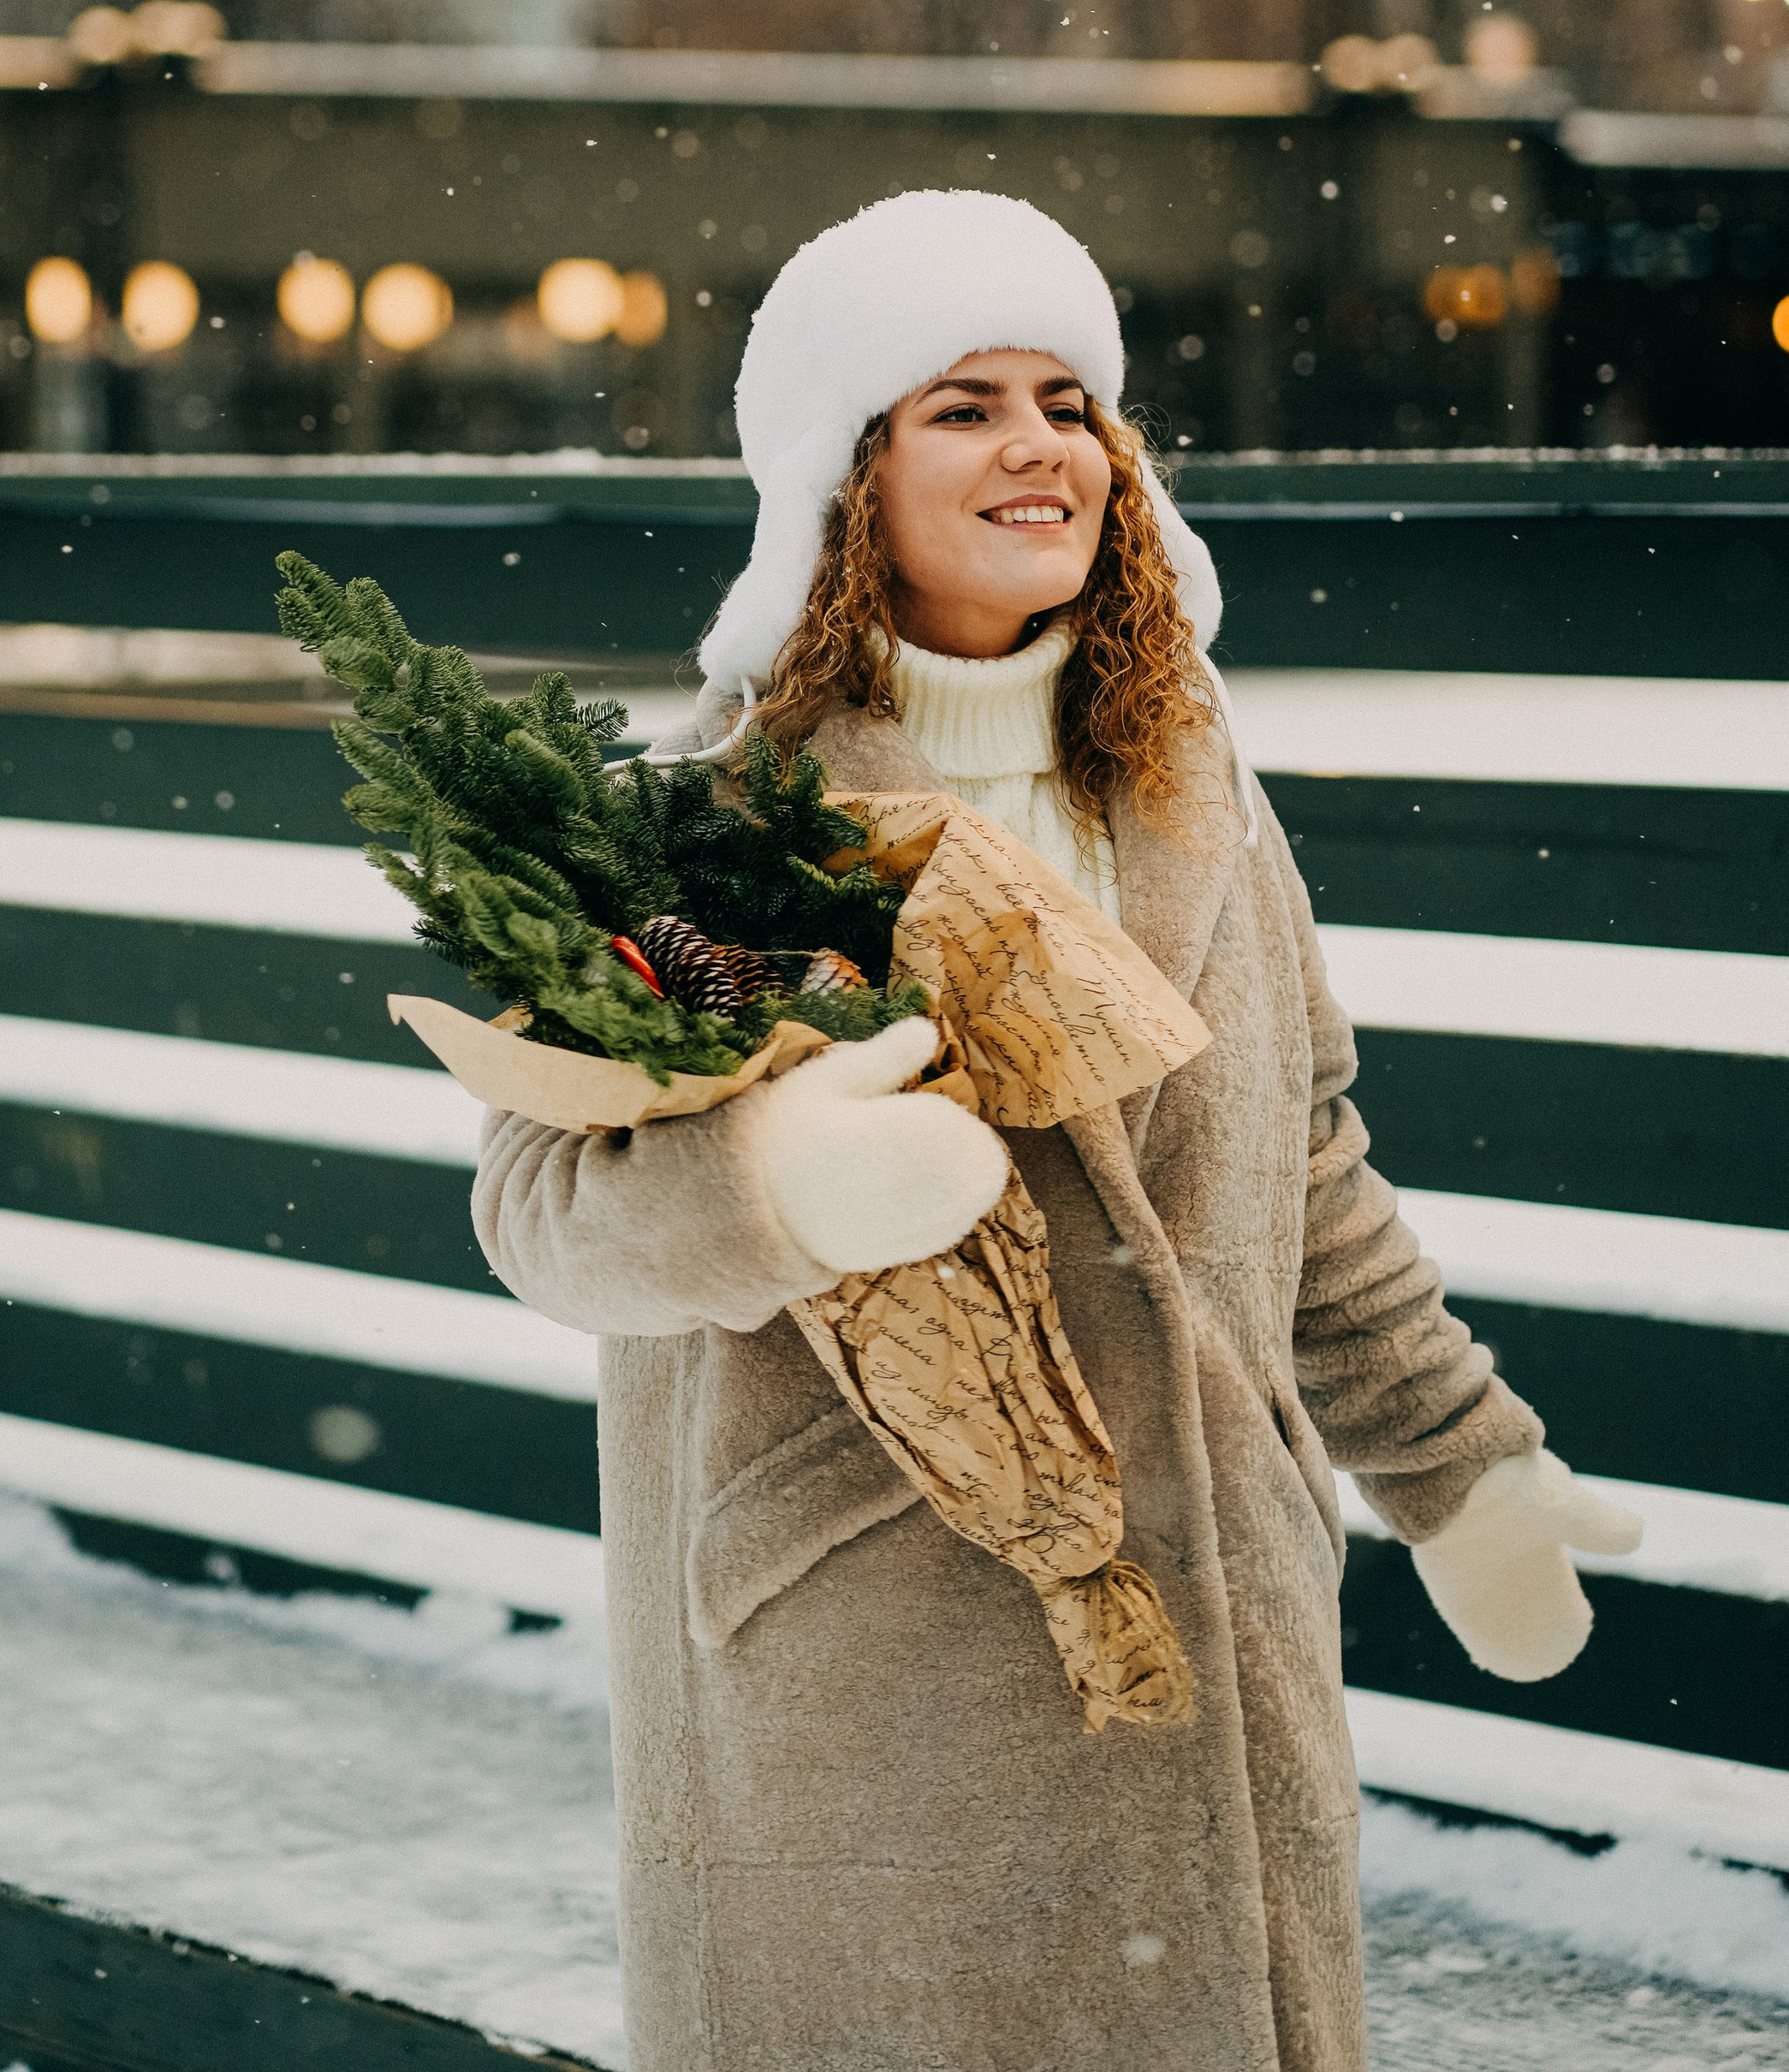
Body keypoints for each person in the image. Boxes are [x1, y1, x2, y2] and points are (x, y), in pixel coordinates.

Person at [474, 189, 1637, 2072]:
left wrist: (1453, 1463)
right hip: (870, 1643)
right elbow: (545, 1209)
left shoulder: (1191, 793)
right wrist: (777, 1187)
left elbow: (1301, 1158)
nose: (1041, 446)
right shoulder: (712, 817)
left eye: (1068, 403)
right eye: (963, 406)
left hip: (1217, 1608)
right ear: (844, 473)